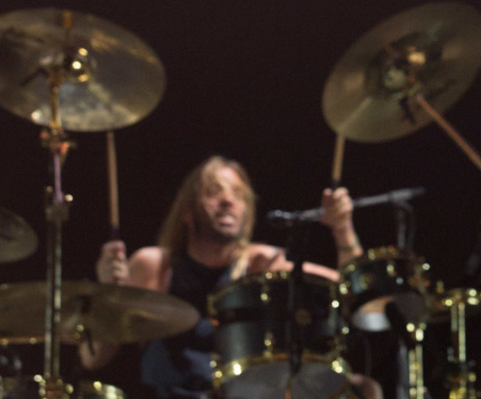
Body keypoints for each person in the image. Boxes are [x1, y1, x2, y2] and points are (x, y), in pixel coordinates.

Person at [80, 155, 382, 399]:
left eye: (238, 195)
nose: (227, 201)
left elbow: (356, 291)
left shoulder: (262, 264)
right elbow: (93, 359)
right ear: (187, 211)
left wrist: (343, 229)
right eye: (213, 192)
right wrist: (107, 293)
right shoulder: (153, 265)